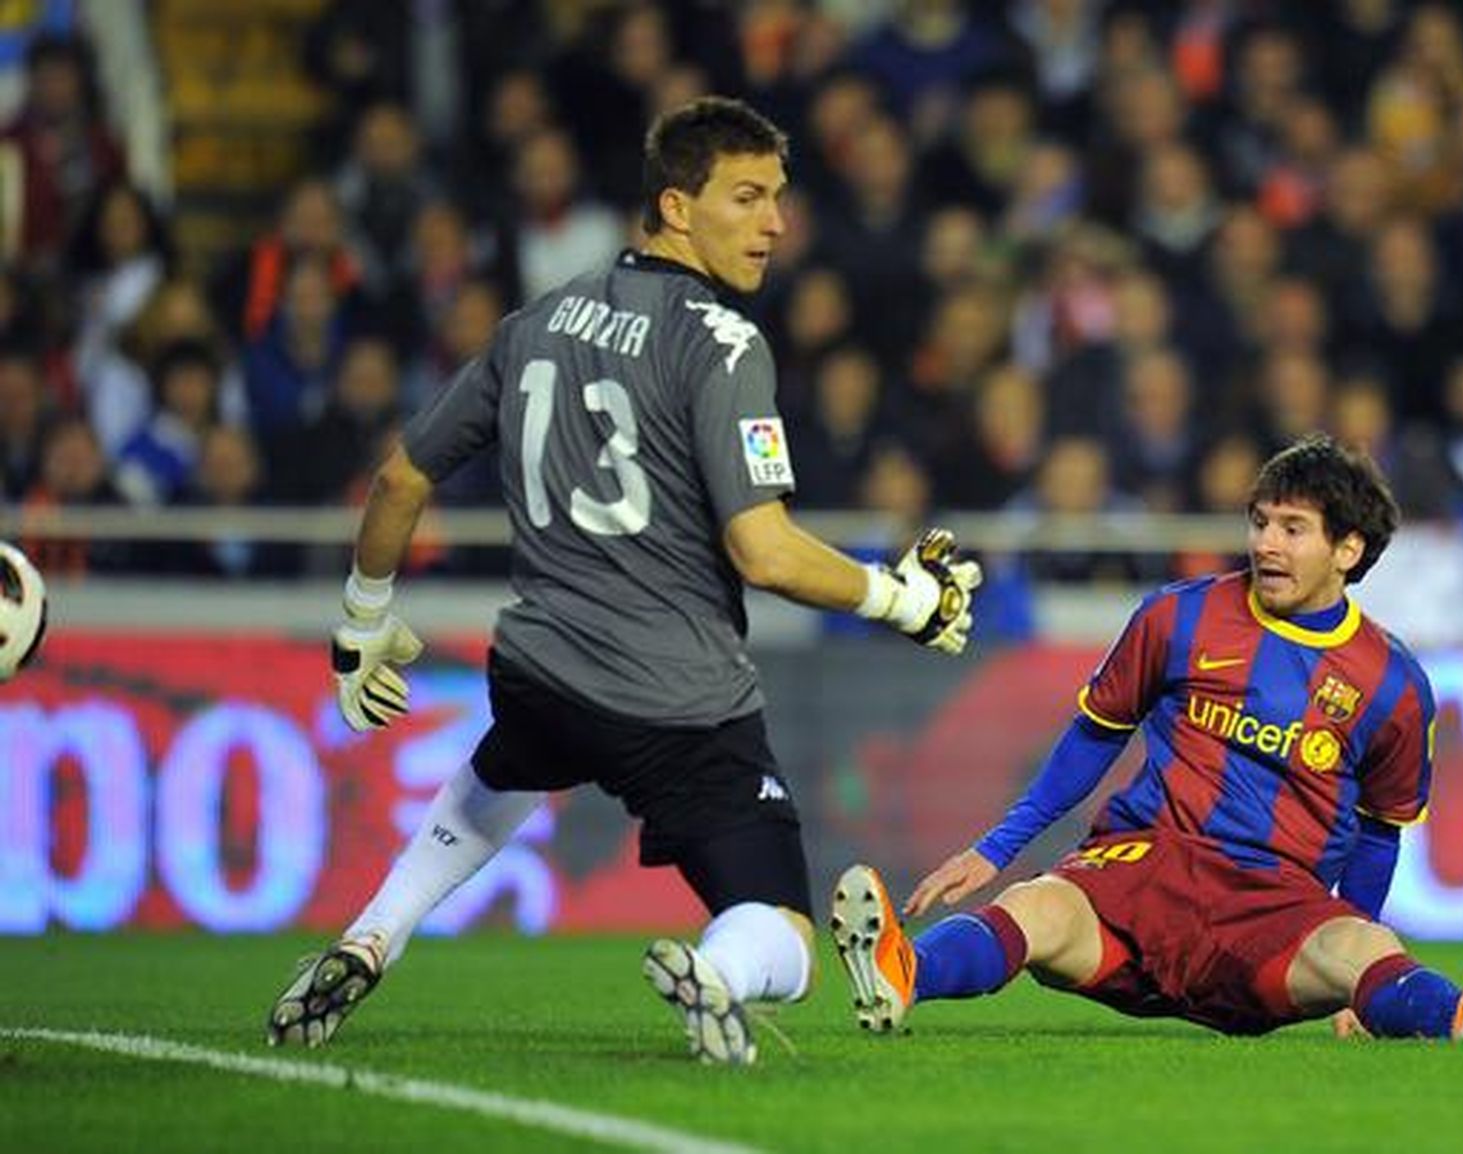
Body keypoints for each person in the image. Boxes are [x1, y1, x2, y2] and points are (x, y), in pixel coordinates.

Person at [264, 96, 982, 1065]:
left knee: (507, 766)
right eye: (747, 196)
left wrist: (362, 620)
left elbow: (399, 478)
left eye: (778, 197)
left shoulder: (536, 321)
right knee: (785, 926)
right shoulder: (721, 343)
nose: (774, 221)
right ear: (676, 207)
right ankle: (716, 975)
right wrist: (902, 597)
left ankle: (369, 937)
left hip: (539, 668)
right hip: (675, 698)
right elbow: (763, 551)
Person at [832, 433, 1463, 1044]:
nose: (1266, 545)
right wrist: (994, 849)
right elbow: (1092, 738)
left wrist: (1354, 975)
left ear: (1348, 549)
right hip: (1146, 872)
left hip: (1270, 909)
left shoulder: (1392, 683)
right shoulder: (1177, 618)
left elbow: (1379, 833)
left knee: (1367, 950)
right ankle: (903, 974)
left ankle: (1461, 1015)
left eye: (1291, 528)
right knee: (1036, 908)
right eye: (1259, 522)